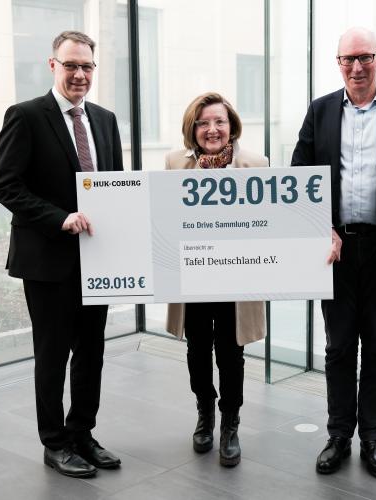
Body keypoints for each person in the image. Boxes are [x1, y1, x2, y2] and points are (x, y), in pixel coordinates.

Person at [291, 27, 376, 477]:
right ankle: (338, 436)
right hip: (334, 251)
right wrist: (321, 229)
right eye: (347, 59)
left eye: (364, 57)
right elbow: (300, 176)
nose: (356, 67)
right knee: (337, 348)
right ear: (338, 63)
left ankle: (373, 438)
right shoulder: (320, 111)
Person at [0, 31, 123, 478]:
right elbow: (4, 185)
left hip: (97, 258)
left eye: (87, 66)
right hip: (47, 260)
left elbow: (115, 187)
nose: (79, 74)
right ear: (53, 66)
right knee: (52, 355)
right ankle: (55, 442)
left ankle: (82, 433)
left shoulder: (104, 120)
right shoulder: (26, 116)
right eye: (71, 65)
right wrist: (59, 218)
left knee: (91, 352)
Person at [165, 92, 267, 467]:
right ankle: (205, 414)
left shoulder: (256, 164)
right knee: (197, 351)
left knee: (230, 353)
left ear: (231, 125)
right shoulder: (174, 163)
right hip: (192, 276)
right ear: (193, 128)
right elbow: (165, 216)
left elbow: (268, 223)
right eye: (203, 123)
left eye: (219, 121)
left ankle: (230, 424)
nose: (212, 129)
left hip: (236, 278)